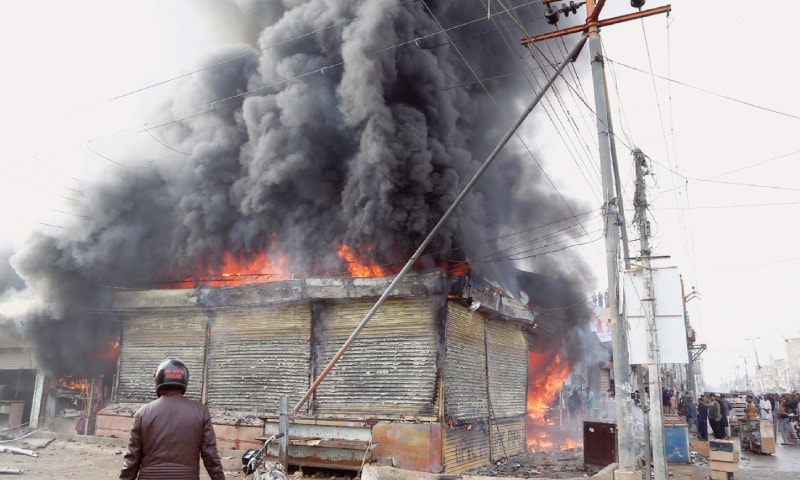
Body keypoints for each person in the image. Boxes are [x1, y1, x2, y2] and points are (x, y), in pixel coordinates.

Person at [120, 358, 225, 480]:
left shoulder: (142, 413)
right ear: (185, 381)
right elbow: (210, 456)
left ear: (157, 382)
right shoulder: (200, 411)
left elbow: (131, 459)